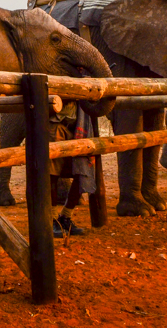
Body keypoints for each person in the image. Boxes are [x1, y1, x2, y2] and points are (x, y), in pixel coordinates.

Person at [49, 101, 95, 238]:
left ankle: (65, 216)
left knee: (84, 170)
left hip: (78, 126)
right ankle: (51, 219)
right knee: (52, 173)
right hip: (53, 125)